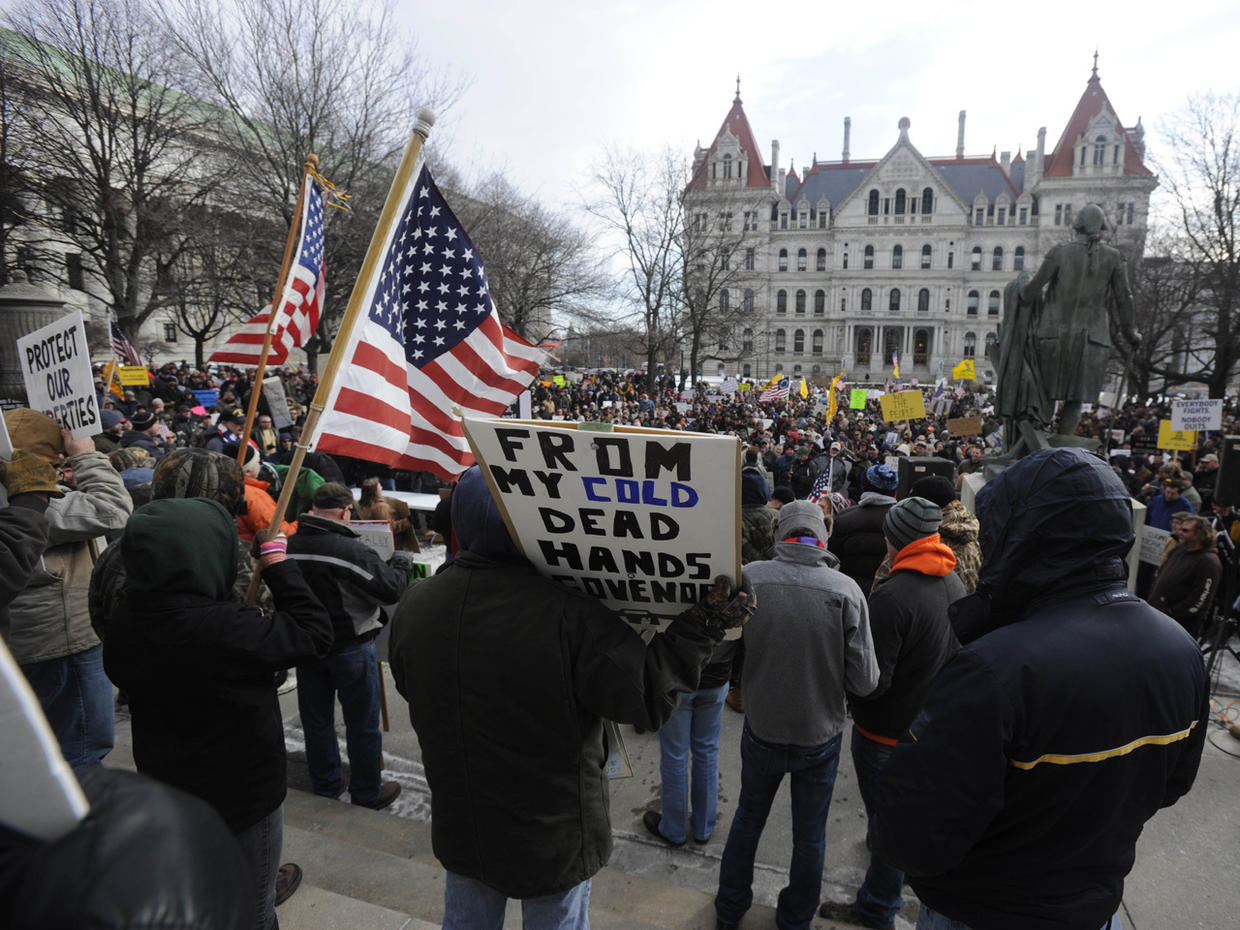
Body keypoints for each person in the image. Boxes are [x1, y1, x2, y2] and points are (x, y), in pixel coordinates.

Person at [388, 465, 753, 929]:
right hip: (553, 833)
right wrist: (702, 625)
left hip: (464, 823)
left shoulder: (417, 605)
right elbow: (646, 700)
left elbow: (410, 686)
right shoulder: (567, 614)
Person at [871, 448, 1208, 930]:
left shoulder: (995, 669)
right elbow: (1171, 785)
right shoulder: (1181, 649)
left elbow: (910, 836)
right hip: (1093, 905)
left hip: (983, 909)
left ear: (1021, 535)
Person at [103, 497, 334, 930]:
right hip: (241, 798)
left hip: (167, 784)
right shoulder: (225, 629)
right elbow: (314, 633)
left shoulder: (127, 618)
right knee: (250, 909)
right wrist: (278, 562)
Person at [715, 500, 879, 930]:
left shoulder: (752, 579)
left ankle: (729, 908)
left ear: (778, 534)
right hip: (818, 735)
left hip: (762, 726)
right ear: (821, 537)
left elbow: (720, 648)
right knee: (810, 834)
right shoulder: (846, 591)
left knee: (748, 818)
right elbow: (865, 682)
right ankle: (795, 920)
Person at [818, 497, 964, 930]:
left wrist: (848, 687)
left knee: (888, 827)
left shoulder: (895, 595)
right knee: (899, 817)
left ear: (895, 541)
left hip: (885, 733)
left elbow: (873, 679)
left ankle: (875, 908)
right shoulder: (954, 580)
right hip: (930, 724)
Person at [3, 409, 132, 769]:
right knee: (81, 749)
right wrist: (87, 455)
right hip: (59, 645)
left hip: (26, 641)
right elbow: (114, 509)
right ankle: (80, 821)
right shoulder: (31, 504)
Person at [286, 482, 410, 810]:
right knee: (362, 723)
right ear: (345, 512)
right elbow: (390, 590)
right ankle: (367, 792)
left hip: (308, 645)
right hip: (350, 646)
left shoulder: (289, 543)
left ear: (314, 507)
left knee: (316, 720)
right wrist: (401, 560)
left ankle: (326, 783)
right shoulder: (348, 550)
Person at [1019, 203, 1141, 437]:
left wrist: (1021, 284)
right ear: (1101, 227)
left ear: (1077, 226)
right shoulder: (1114, 257)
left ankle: (1039, 443)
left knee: (1046, 394)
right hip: (1091, 339)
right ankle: (1062, 446)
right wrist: (1130, 333)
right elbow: (1124, 298)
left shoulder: (1059, 252)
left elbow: (1029, 292)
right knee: (1075, 399)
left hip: (1053, 336)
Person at [1149, 513, 1223, 640]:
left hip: (1180, 625)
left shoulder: (1209, 561)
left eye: (1185, 530)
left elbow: (1201, 598)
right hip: (1158, 616)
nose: (1180, 532)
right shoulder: (1179, 549)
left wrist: (1172, 612)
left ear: (1200, 534)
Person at [830, 463, 899, 592]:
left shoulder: (845, 518)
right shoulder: (903, 519)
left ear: (864, 486)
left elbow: (833, 558)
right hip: (888, 592)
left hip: (849, 591)